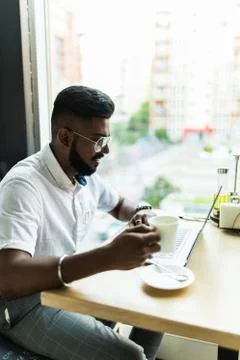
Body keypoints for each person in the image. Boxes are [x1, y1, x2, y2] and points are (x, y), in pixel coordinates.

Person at [0, 85, 163, 360]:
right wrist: (108, 256)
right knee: (130, 356)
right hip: (21, 306)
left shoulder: (83, 172)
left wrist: (143, 212)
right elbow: (9, 277)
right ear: (65, 137)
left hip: (62, 288)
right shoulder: (24, 185)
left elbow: (120, 205)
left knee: (156, 310)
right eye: (99, 141)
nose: (106, 150)